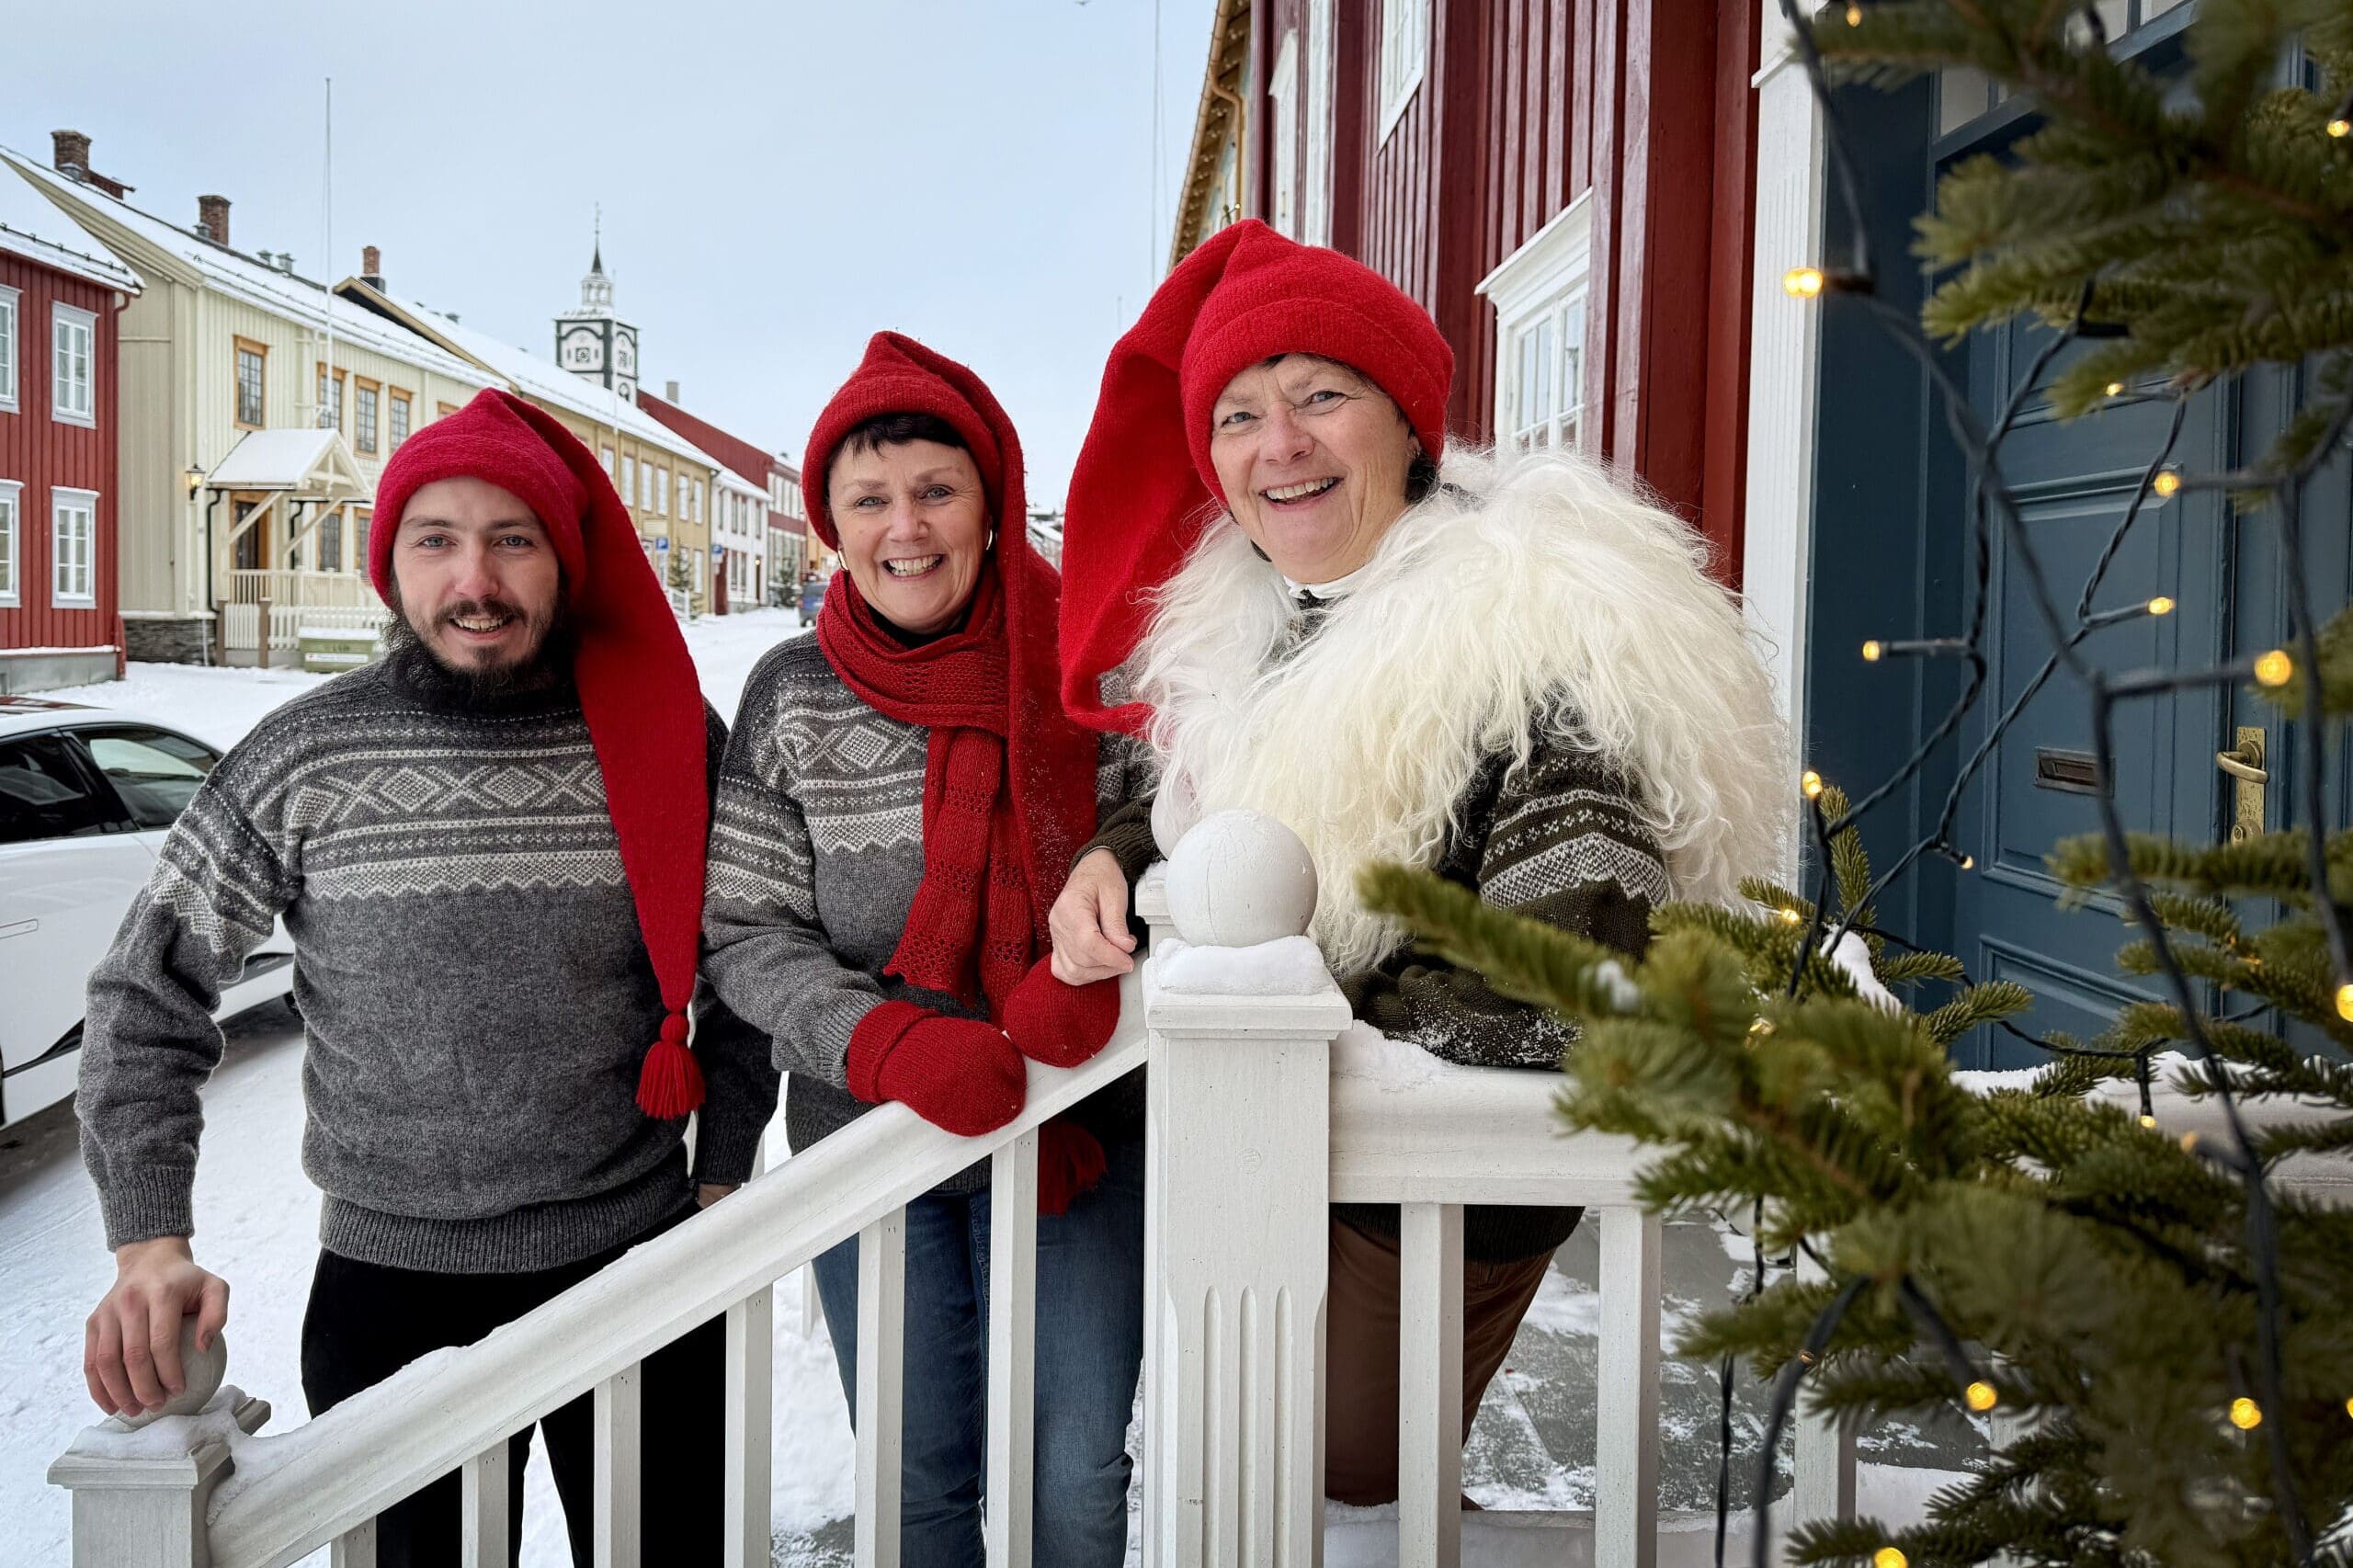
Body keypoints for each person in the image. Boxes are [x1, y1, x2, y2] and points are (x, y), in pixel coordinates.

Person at [1051, 221, 1792, 1506]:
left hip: (1431, 1184)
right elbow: (1226, 793)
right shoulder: (1262, 621)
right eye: (1236, 414)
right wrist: (1121, 852)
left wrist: (1292, 1040)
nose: (1277, 444)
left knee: (1336, 1473)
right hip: (1288, 1154)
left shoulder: (1539, 639)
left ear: (1407, 422)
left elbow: (1564, 974)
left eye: (1319, 397)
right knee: (1269, 1463)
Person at [74, 388, 779, 1566]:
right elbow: (144, 995)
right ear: (388, 565)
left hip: (638, 1266)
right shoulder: (304, 754)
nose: (477, 580)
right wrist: (150, 1239)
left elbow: (749, 958)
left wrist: (717, 1174)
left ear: (563, 558)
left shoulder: (662, 735)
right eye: (436, 540)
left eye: (513, 539)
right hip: (390, 1289)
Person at [701, 333, 1139, 1567]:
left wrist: (1106, 894)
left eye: (936, 489)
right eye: (870, 498)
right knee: (916, 1473)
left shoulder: (1084, 660)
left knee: (1077, 1473)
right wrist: (881, 1039)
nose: (907, 524)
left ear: (990, 501)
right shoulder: (789, 694)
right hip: (872, 1137)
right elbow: (747, 929)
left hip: (1080, 1117)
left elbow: (1161, 808)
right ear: (830, 526)